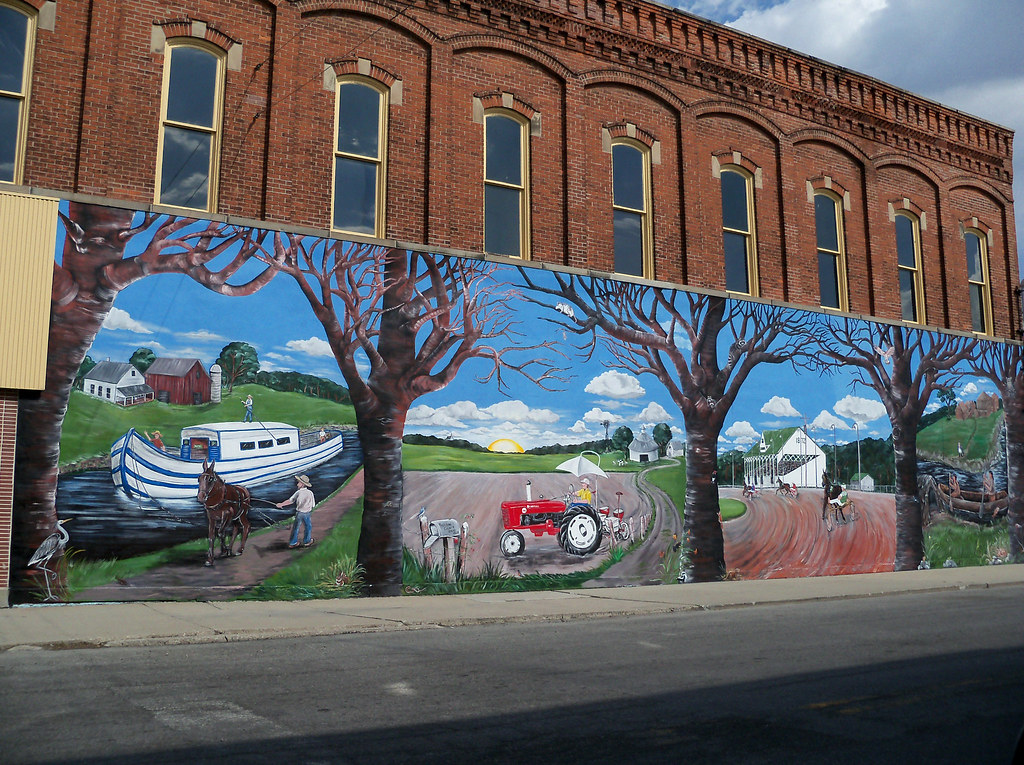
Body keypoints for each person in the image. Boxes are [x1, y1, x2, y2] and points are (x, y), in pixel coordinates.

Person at [277, 474, 315, 548]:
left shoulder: (298, 492)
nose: (297, 484)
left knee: (296, 527)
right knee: (308, 527)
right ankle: (307, 541)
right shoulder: (310, 493)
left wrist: (281, 504)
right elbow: (313, 504)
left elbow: (290, 501)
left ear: (302, 484)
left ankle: (293, 542)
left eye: (298, 482)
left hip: (299, 513)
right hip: (306, 513)